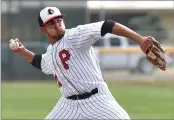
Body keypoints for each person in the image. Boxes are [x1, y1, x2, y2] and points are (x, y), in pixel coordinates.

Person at [9, 7, 166, 119]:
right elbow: (41, 63)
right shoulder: (51, 52)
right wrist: (23, 52)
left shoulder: (75, 35)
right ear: (43, 30)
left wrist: (139, 39)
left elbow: (107, 25)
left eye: (59, 20)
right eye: (52, 23)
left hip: (97, 99)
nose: (57, 24)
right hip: (68, 105)